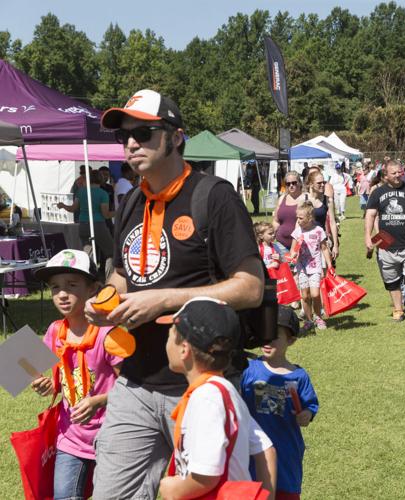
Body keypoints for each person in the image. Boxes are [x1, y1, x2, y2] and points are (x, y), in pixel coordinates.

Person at [90, 89, 266, 499]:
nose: (131, 143)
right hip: (133, 382)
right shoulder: (132, 200)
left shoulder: (214, 196)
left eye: (144, 133)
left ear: (176, 136)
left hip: (199, 386)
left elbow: (251, 287)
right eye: (125, 136)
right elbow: (123, 275)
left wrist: (166, 299)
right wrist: (106, 300)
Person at [30, 250, 130, 500]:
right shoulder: (54, 331)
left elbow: (132, 387)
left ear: (93, 289)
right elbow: (51, 376)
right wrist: (44, 384)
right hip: (70, 436)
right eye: (55, 288)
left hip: (112, 436)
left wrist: (99, 400)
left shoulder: (110, 334)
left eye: (72, 285)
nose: (62, 294)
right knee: (64, 495)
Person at [158, 298, 276, 500]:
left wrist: (171, 488)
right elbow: (266, 449)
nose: (166, 341)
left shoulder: (207, 399)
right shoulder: (224, 391)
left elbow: (206, 477)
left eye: (169, 334)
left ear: (184, 349)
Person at [241, 306, 319, 499]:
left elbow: (310, 405)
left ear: (291, 340)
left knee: (284, 493)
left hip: (286, 451)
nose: (267, 341)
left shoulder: (299, 376)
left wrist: (306, 415)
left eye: (275, 336)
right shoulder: (249, 369)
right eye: (264, 335)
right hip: (253, 450)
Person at [365, 160, 405, 321]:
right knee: (391, 280)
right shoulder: (377, 193)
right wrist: (367, 236)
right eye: (393, 173)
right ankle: (398, 309)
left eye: (399, 172)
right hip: (386, 245)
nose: (397, 175)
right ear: (385, 175)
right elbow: (370, 215)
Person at [57, 169, 115, 279]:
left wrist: (63, 205)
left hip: (83, 225)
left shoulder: (81, 191)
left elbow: (73, 208)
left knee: (88, 255)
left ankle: (89, 280)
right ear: (101, 179)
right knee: (111, 252)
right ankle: (110, 279)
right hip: (98, 225)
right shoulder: (103, 193)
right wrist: (119, 211)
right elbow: (106, 214)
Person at [289, 202, 333, 332]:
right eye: (297, 217)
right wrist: (293, 255)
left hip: (315, 266)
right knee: (305, 295)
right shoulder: (297, 232)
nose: (298, 220)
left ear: (310, 218)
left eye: (301, 218)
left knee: (314, 294)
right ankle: (308, 321)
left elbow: (324, 248)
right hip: (301, 266)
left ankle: (318, 317)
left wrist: (329, 264)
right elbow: (292, 250)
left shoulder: (319, 230)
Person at [306, 169, 339, 260]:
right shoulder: (304, 199)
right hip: (306, 240)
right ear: (311, 184)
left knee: (324, 271)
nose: (322, 185)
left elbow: (332, 223)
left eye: (324, 182)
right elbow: (298, 221)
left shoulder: (328, 200)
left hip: (322, 240)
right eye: (319, 183)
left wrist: (335, 245)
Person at [273, 172, 307, 256]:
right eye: (288, 184)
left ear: (299, 183)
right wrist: (271, 236)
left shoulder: (305, 198)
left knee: (296, 269)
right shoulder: (281, 198)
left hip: (300, 245)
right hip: (280, 244)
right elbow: (276, 221)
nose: (291, 185)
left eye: (294, 183)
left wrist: (293, 248)